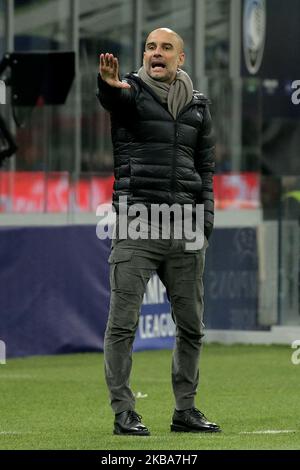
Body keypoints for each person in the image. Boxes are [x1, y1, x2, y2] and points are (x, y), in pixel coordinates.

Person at [97, 27, 221, 436]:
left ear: (180, 59)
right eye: (151, 47)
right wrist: (108, 85)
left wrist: (204, 222)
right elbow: (115, 98)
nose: (157, 53)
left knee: (191, 326)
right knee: (122, 324)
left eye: (166, 48)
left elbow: (205, 170)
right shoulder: (131, 93)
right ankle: (124, 413)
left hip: (185, 227)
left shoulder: (199, 107)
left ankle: (185, 410)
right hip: (137, 223)